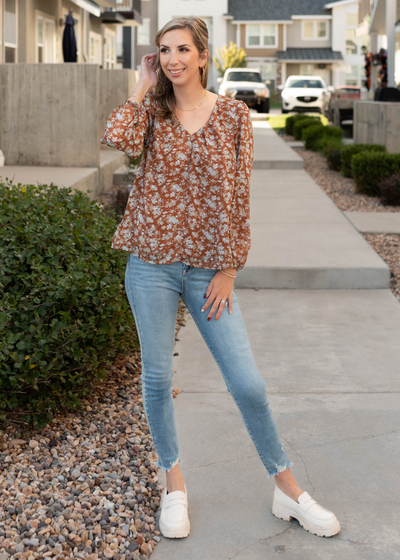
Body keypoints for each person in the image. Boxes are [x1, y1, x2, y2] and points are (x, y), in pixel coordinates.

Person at [100, 16, 340, 541]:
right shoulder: (152, 113)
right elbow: (115, 138)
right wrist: (141, 84)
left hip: (209, 270)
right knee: (158, 379)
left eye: (182, 49)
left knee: (247, 383)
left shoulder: (233, 116)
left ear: (204, 56)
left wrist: (229, 268)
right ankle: (174, 482)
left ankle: (287, 488)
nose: (173, 59)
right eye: (164, 51)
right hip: (150, 264)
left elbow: (237, 198)